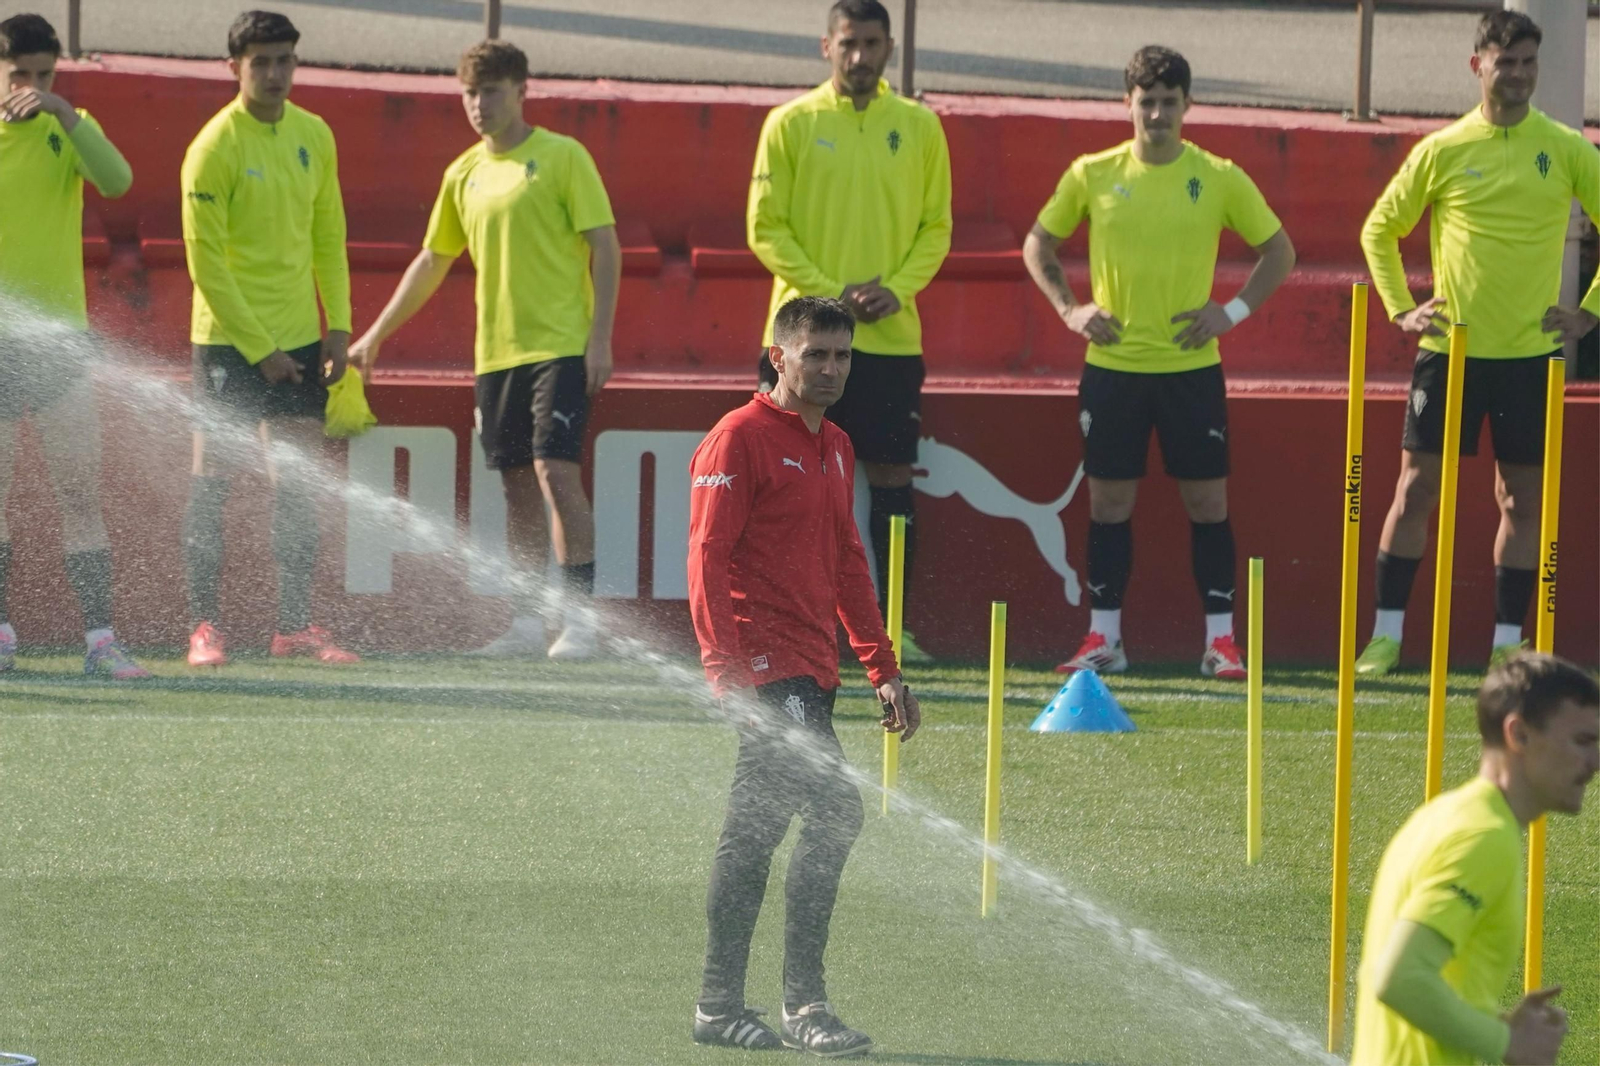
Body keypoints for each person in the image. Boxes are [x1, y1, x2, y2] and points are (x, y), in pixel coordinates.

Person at [688, 296, 920, 1057]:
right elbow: (708, 560)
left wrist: (880, 667)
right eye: (814, 353)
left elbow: (849, 560)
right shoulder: (738, 438)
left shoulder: (838, 444)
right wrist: (724, 674)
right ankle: (798, 1005)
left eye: (842, 355)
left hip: (812, 667)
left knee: (756, 832)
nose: (830, 368)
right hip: (763, 667)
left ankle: (726, 1006)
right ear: (778, 355)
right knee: (833, 811)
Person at [1022, 45, 1295, 678]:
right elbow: (1039, 243)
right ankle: (1104, 639)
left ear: (1187, 105)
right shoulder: (1092, 172)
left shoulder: (1218, 175)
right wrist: (1070, 310)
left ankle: (1220, 642)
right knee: (1108, 506)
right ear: (1128, 103)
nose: (1158, 114)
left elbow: (1279, 251)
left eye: (1170, 102)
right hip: (1113, 369)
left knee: (1208, 505)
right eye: (1147, 102)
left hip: (1189, 372)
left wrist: (1230, 314)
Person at [350, 39, 619, 661]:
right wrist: (375, 337)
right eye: (470, 92)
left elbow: (605, 246)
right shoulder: (462, 172)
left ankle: (579, 623)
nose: (479, 104)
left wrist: (600, 336)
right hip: (496, 355)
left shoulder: (562, 156)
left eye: (491, 90)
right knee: (517, 488)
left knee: (557, 473)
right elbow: (432, 259)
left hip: (559, 346)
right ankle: (527, 624)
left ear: (521, 90)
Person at [1354, 10, 1600, 678]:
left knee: (1521, 499)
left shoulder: (1568, 148)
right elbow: (1379, 230)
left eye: (1527, 63)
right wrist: (1402, 309)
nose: (1517, 74)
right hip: (1451, 352)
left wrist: (1587, 312)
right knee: (1415, 491)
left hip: (1530, 358)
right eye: (1505, 62)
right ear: (1478, 66)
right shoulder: (1444, 149)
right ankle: (1385, 636)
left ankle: (1503, 644)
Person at [747, 0, 951, 663]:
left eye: (871, 43)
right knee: (780, 482)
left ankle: (891, 632)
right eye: (848, 43)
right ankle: (780, 626)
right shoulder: (790, 124)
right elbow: (765, 227)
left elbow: (936, 228)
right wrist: (828, 299)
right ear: (824, 47)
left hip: (889, 339)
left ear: (890, 47)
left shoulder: (919, 127)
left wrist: (898, 288)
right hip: (800, 342)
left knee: (891, 479)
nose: (859, 56)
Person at [179, 10, 357, 667]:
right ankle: (204, 628)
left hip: (302, 341)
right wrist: (262, 351)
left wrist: (336, 324)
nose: (276, 74)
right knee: (212, 480)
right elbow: (206, 266)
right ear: (235, 68)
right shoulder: (214, 146)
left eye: (285, 60)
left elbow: (328, 236)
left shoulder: (315, 133)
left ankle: (294, 628)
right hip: (229, 344)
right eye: (262, 62)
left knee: (298, 485)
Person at [1351, 653, 1596, 1065]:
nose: (1595, 764)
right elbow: (1399, 979)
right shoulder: (1484, 838)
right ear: (1518, 735)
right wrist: (1506, 1043)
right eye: (1582, 742)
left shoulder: (1443, 815)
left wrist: (1494, 1023)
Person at [0, 13, 147, 679]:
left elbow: (117, 181)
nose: (32, 87)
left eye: (45, 76)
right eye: (19, 75)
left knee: (80, 496)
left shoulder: (70, 126)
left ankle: (100, 642)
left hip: (60, 344)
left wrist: (65, 111)